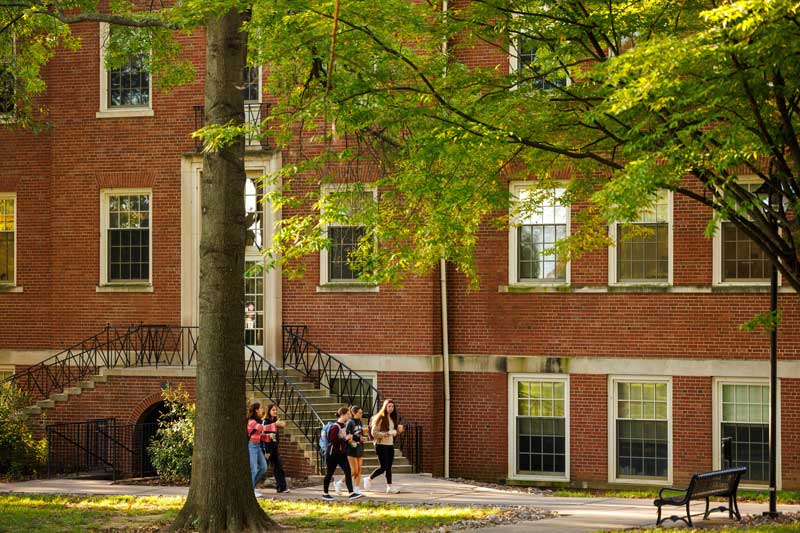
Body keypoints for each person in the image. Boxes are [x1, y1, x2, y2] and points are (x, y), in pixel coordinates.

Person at [322, 407, 363, 501]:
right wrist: (345, 439)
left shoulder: (343, 425)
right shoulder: (335, 427)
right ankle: (325, 493)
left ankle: (351, 493)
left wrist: (354, 440)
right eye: (348, 414)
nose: (349, 416)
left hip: (342, 453)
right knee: (329, 473)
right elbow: (333, 441)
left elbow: (346, 437)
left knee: (348, 471)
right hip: (332, 454)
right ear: (342, 414)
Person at [364, 399, 403, 494]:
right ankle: (369, 478)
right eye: (389, 406)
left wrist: (396, 432)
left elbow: (393, 431)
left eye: (392, 406)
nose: (391, 408)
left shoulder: (392, 418)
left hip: (390, 445)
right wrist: (386, 434)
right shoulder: (380, 418)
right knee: (383, 467)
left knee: (389, 467)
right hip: (380, 445)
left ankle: (389, 487)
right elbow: (374, 433)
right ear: (385, 407)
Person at [247, 401, 277, 496]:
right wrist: (275, 424)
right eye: (261, 408)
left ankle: (251, 486)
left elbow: (259, 435)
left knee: (263, 467)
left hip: (258, 446)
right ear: (256, 410)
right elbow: (262, 428)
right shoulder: (251, 422)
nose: (262, 410)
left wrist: (268, 436)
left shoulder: (257, 421)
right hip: (251, 446)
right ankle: (251, 490)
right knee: (254, 469)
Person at [334, 405, 365, 495]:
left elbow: (360, 433)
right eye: (360, 412)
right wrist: (357, 439)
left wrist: (362, 438)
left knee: (359, 470)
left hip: (359, 447)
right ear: (354, 413)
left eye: (362, 412)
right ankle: (339, 483)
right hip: (351, 448)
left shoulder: (360, 421)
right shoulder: (350, 422)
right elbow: (347, 435)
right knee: (354, 470)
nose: (361, 414)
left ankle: (357, 488)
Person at [262, 403, 290, 493]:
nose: (275, 411)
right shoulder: (266, 422)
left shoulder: (274, 420)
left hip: (274, 448)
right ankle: (253, 485)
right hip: (267, 449)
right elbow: (264, 437)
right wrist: (267, 451)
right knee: (261, 468)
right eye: (273, 410)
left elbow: (275, 436)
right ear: (268, 411)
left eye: (276, 410)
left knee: (278, 467)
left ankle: (282, 487)